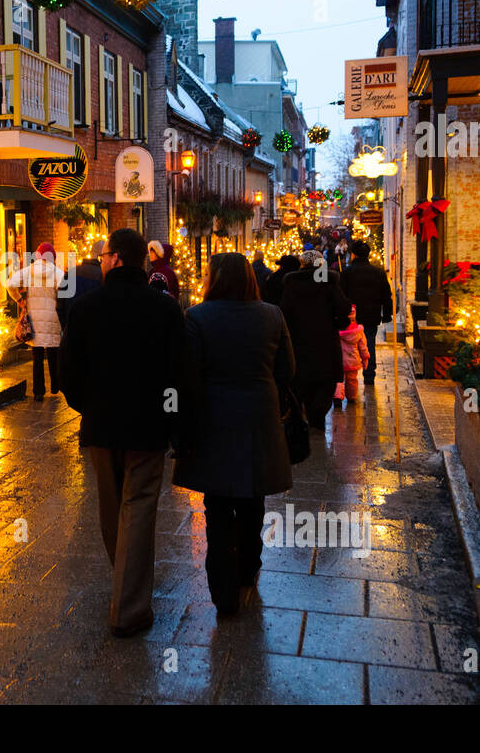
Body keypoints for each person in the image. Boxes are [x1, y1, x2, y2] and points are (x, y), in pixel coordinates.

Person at [60, 228, 186, 637]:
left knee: (113, 506)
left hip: (101, 425)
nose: (99, 259)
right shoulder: (164, 310)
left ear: (115, 259)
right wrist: (170, 417)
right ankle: (129, 602)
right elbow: (176, 375)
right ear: (141, 261)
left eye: (103, 254)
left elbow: (69, 376)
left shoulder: (85, 309)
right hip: (148, 427)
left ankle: (126, 591)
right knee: (139, 505)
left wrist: (90, 407)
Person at [174, 253, 294, 615]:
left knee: (218, 504)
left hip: (214, 418)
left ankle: (223, 590)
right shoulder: (271, 314)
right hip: (259, 415)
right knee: (252, 497)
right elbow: (288, 368)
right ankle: (247, 568)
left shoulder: (197, 316)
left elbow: (187, 375)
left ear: (215, 279)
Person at [278, 250, 351, 430]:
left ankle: (303, 414)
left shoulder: (292, 285)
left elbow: (283, 312)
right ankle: (317, 415)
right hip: (325, 340)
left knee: (300, 379)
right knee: (324, 380)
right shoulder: (327, 282)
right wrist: (339, 321)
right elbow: (343, 308)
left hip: (298, 341)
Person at [7, 242, 64, 400]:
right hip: (53, 318)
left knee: (37, 356)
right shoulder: (57, 273)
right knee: (53, 352)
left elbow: (10, 284)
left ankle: (38, 391)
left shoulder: (28, 271)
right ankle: (55, 385)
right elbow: (64, 292)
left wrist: (19, 299)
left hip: (34, 318)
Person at [341, 240, 394, 385]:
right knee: (369, 343)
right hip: (372, 315)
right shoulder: (378, 272)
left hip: (352, 316)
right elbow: (386, 295)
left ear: (354, 255)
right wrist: (387, 314)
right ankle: (369, 373)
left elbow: (342, 294)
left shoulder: (347, 272)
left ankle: (349, 374)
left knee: (349, 346)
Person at [336, 305, 372, 407]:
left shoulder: (337, 330)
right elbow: (363, 347)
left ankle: (337, 397)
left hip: (340, 360)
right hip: (353, 360)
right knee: (352, 379)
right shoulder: (358, 331)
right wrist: (365, 358)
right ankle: (351, 397)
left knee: (338, 379)